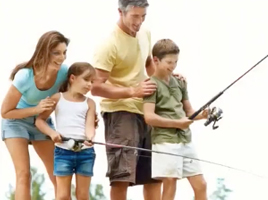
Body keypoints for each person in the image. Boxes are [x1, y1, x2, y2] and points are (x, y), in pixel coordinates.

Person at [91, 0, 185, 200]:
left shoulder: (145, 34)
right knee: (121, 176)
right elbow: (96, 87)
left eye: (143, 16)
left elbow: (150, 65)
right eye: (135, 16)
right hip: (120, 113)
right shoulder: (109, 44)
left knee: (154, 176)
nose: (139, 21)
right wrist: (133, 91)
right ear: (120, 12)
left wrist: (168, 75)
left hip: (147, 112)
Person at [1, 31, 70, 200]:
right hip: (15, 122)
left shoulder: (64, 73)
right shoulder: (25, 76)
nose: (61, 58)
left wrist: (90, 117)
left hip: (42, 122)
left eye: (64, 52)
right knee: (24, 173)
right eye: (56, 53)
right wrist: (36, 109)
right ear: (44, 52)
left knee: (58, 175)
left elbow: (71, 99)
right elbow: (5, 112)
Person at [143, 39, 208, 200]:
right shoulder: (151, 85)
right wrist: (178, 123)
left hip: (185, 139)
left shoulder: (180, 82)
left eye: (176, 62)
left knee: (201, 184)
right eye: (169, 62)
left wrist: (204, 114)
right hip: (165, 141)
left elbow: (189, 111)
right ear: (156, 60)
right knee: (170, 183)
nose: (173, 66)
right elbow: (149, 117)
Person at [35, 62, 96, 200]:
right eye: (86, 80)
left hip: (85, 153)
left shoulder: (90, 103)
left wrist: (90, 137)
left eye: (92, 81)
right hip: (62, 152)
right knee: (62, 196)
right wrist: (52, 133)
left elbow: (89, 126)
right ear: (72, 78)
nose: (89, 85)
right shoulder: (57, 98)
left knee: (83, 196)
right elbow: (39, 121)